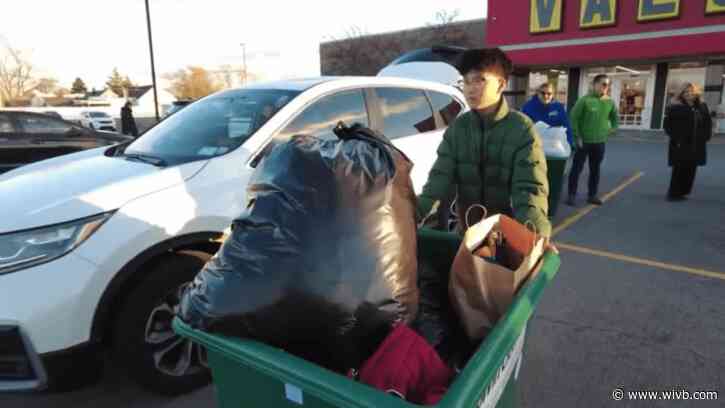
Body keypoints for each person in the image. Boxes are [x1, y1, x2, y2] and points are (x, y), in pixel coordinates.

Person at [417, 48, 551, 238]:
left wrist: (536, 235)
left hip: (506, 239)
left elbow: (529, 191)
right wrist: (411, 215)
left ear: (501, 84)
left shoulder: (521, 129)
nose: (470, 88)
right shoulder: (458, 129)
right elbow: (439, 181)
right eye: (466, 81)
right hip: (468, 234)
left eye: (480, 80)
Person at [566, 74, 619, 206]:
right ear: (594, 84)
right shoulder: (584, 100)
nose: (605, 87)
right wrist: (576, 137)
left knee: (595, 169)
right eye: (603, 84)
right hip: (583, 142)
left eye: (607, 85)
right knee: (576, 169)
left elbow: (615, 118)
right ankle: (571, 195)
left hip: (600, 142)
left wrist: (612, 129)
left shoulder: (610, 102)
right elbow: (573, 119)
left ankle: (592, 195)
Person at [662, 83, 712, 201]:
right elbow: (667, 125)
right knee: (679, 168)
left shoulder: (702, 106)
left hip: (697, 143)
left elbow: (707, 123)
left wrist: (705, 137)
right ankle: (673, 194)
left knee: (691, 168)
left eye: (691, 91)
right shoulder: (675, 107)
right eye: (686, 92)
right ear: (681, 94)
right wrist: (676, 137)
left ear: (695, 92)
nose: (689, 94)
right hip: (681, 143)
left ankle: (683, 192)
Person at [521, 82, 573, 147]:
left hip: (554, 146)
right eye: (543, 93)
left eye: (549, 94)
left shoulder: (558, 107)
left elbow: (567, 126)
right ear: (538, 93)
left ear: (553, 95)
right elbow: (522, 127)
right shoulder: (528, 107)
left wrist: (570, 143)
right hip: (534, 145)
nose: (546, 96)